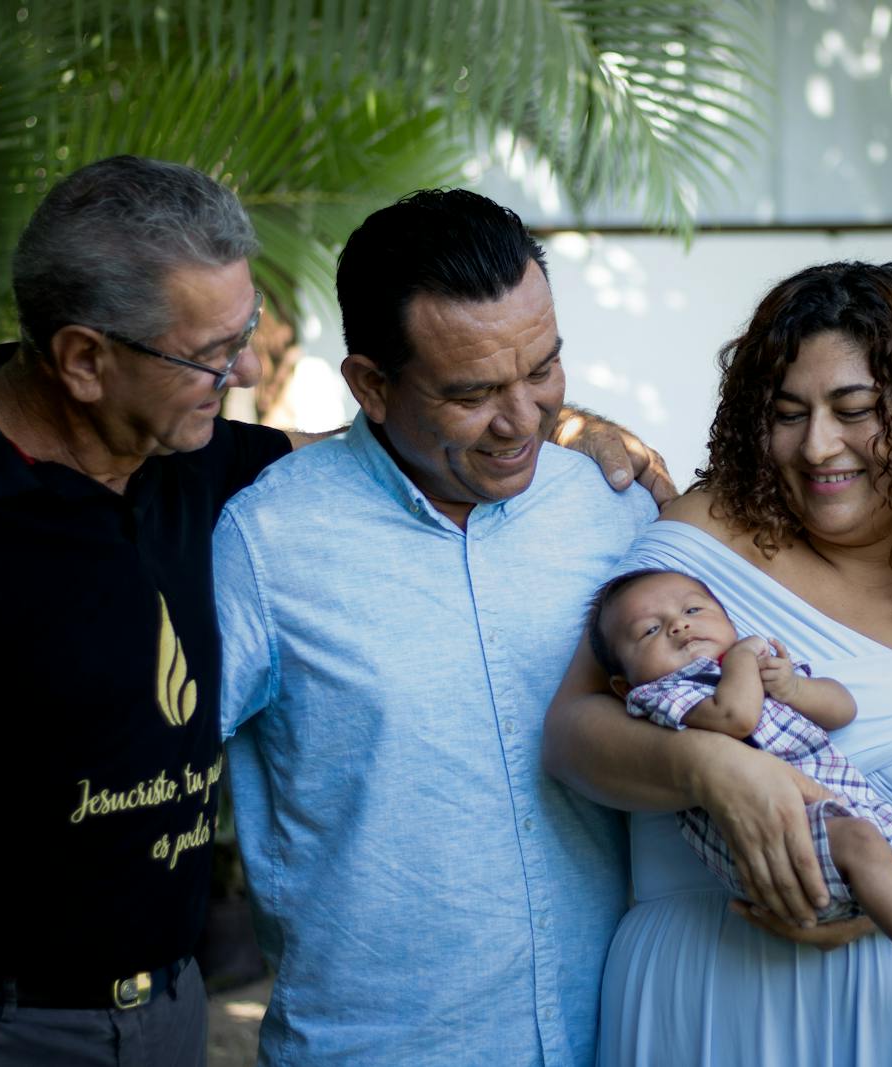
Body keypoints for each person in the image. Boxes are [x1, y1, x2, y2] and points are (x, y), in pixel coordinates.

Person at [0, 159, 666, 1067]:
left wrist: (574, 424)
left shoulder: (195, 456)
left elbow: (385, 451)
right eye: (207, 354)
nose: (240, 372)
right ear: (85, 360)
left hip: (180, 1011)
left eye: (542, 366)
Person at [543, 260, 892, 1066]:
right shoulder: (701, 542)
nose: (817, 447)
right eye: (788, 413)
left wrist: (890, 906)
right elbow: (572, 732)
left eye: (855, 410)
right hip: (716, 1006)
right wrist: (709, 768)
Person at [212, 188, 659, 1065]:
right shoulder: (267, 542)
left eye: (543, 371)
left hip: (618, 1035)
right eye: (474, 393)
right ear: (371, 385)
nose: (523, 420)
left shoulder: (615, 513)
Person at [588, 567, 892, 985]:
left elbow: (842, 708)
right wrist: (743, 661)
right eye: (649, 630)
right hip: (781, 849)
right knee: (863, 843)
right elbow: (736, 717)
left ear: (729, 623)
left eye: (693, 609)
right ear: (625, 684)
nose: (679, 625)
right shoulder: (660, 697)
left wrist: (794, 686)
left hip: (845, 815)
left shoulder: (758, 672)